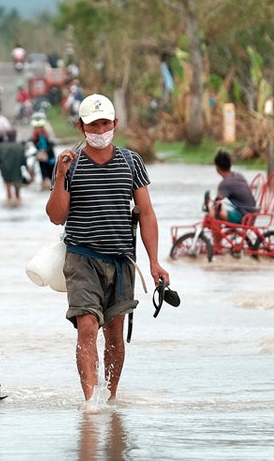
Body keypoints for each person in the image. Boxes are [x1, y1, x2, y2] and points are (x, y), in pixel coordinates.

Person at [45, 93, 170, 404]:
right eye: (93, 124)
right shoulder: (69, 164)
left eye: (105, 123)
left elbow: (147, 213)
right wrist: (60, 176)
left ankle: (109, 398)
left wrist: (155, 262)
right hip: (82, 258)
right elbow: (56, 216)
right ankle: (91, 403)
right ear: (80, 126)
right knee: (87, 326)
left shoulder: (131, 161)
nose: (99, 130)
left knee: (114, 335)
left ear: (115, 123)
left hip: (121, 262)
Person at [208, 150, 258, 224]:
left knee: (214, 214)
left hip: (245, 216)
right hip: (251, 213)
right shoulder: (238, 175)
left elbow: (218, 201)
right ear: (230, 165)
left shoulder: (225, 183)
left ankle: (217, 236)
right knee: (217, 211)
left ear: (217, 168)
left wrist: (210, 201)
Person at [29, 114, 56, 190]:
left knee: (52, 174)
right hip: (41, 159)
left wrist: (45, 151)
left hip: (50, 158)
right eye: (36, 128)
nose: (37, 130)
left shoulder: (47, 135)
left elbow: (52, 145)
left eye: (39, 128)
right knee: (44, 175)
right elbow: (32, 146)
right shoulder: (34, 137)